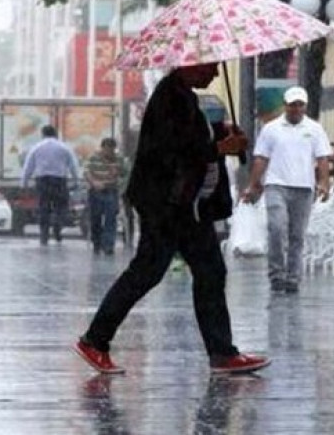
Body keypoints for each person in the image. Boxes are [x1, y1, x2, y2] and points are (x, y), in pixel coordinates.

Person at [73, 63, 270, 375]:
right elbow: (173, 150)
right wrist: (220, 147)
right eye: (212, 67)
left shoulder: (186, 97)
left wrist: (222, 133)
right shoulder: (169, 98)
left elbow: (192, 136)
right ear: (192, 65)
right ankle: (95, 340)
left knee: (210, 272)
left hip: (189, 206)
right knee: (147, 272)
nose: (216, 75)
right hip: (165, 204)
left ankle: (222, 352)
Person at [241, 86, 332, 293]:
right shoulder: (271, 129)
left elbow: (322, 158)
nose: (296, 109)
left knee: (297, 235)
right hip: (276, 185)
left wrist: (324, 183)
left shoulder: (314, 129)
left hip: (303, 187)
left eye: (300, 105)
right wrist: (253, 184)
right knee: (276, 228)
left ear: (305, 107)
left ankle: (293, 277)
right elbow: (261, 158)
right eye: (292, 105)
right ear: (285, 105)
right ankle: (276, 274)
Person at [20, 125, 80, 245]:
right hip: (59, 181)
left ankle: (44, 235)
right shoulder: (64, 148)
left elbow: (28, 166)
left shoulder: (36, 148)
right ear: (56, 134)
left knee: (43, 207)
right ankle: (57, 227)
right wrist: (76, 181)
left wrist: (24, 183)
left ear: (42, 134)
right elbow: (73, 165)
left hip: (42, 181)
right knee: (61, 206)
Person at [84, 137, 125, 255]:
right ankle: (97, 243)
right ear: (102, 148)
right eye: (107, 149)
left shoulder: (118, 159)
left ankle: (108, 245)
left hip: (111, 190)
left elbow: (124, 174)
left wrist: (117, 171)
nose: (109, 152)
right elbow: (87, 172)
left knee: (110, 218)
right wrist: (94, 183)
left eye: (111, 150)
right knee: (95, 218)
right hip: (95, 191)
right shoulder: (93, 158)